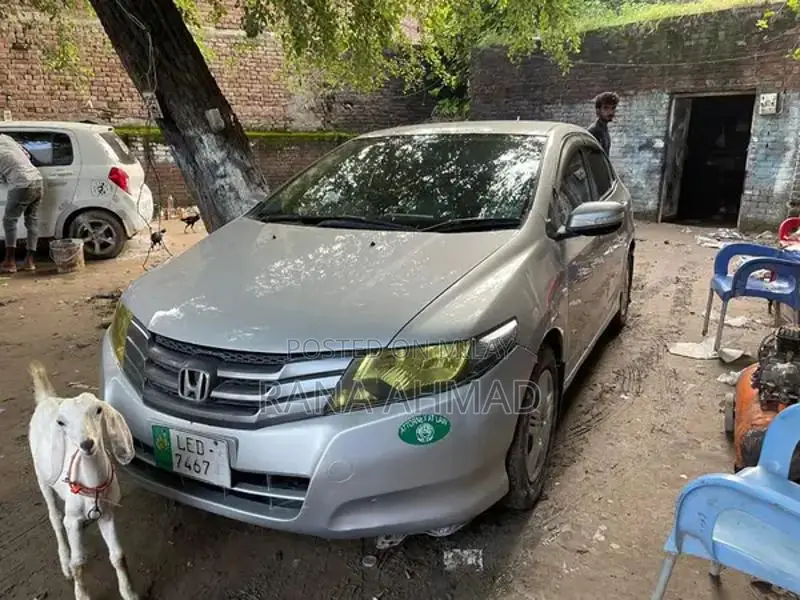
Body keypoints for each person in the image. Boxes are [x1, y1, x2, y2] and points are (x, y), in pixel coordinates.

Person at [0, 134, 43, 273]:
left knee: (9, 221)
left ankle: (9, 262)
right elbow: (27, 155)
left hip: (21, 183)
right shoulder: (6, 138)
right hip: (37, 179)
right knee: (32, 220)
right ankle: (30, 261)